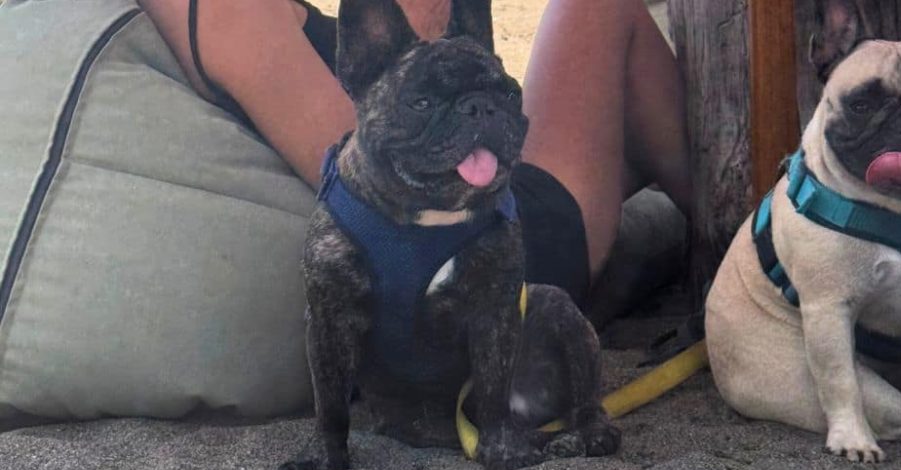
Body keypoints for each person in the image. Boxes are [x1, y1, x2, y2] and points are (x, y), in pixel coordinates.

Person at [137, 0, 693, 305]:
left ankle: (736, 227)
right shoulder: (226, 12)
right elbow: (370, 185)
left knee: (613, 99)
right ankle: (754, 244)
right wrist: (422, 23)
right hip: (496, 256)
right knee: (600, 9)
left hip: (477, 226)